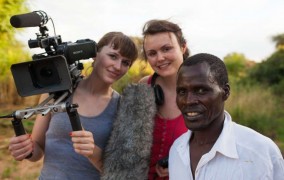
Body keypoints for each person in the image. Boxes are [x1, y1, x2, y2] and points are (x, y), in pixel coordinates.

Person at [8, 31, 138, 180]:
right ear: (95, 54)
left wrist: (92, 152)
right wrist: (26, 150)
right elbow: (38, 149)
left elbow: (118, 173)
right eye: (113, 56)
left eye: (126, 62)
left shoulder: (122, 107)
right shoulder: (57, 92)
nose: (117, 66)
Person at [169, 53, 284, 179]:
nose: (188, 100)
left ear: (225, 92)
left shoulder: (260, 153)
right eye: (182, 91)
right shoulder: (176, 151)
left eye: (201, 90)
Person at [139, 19, 190, 179]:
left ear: (183, 47)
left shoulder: (204, 92)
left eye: (166, 49)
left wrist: (183, 164)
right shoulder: (143, 86)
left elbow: (216, 145)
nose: (160, 58)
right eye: (152, 53)